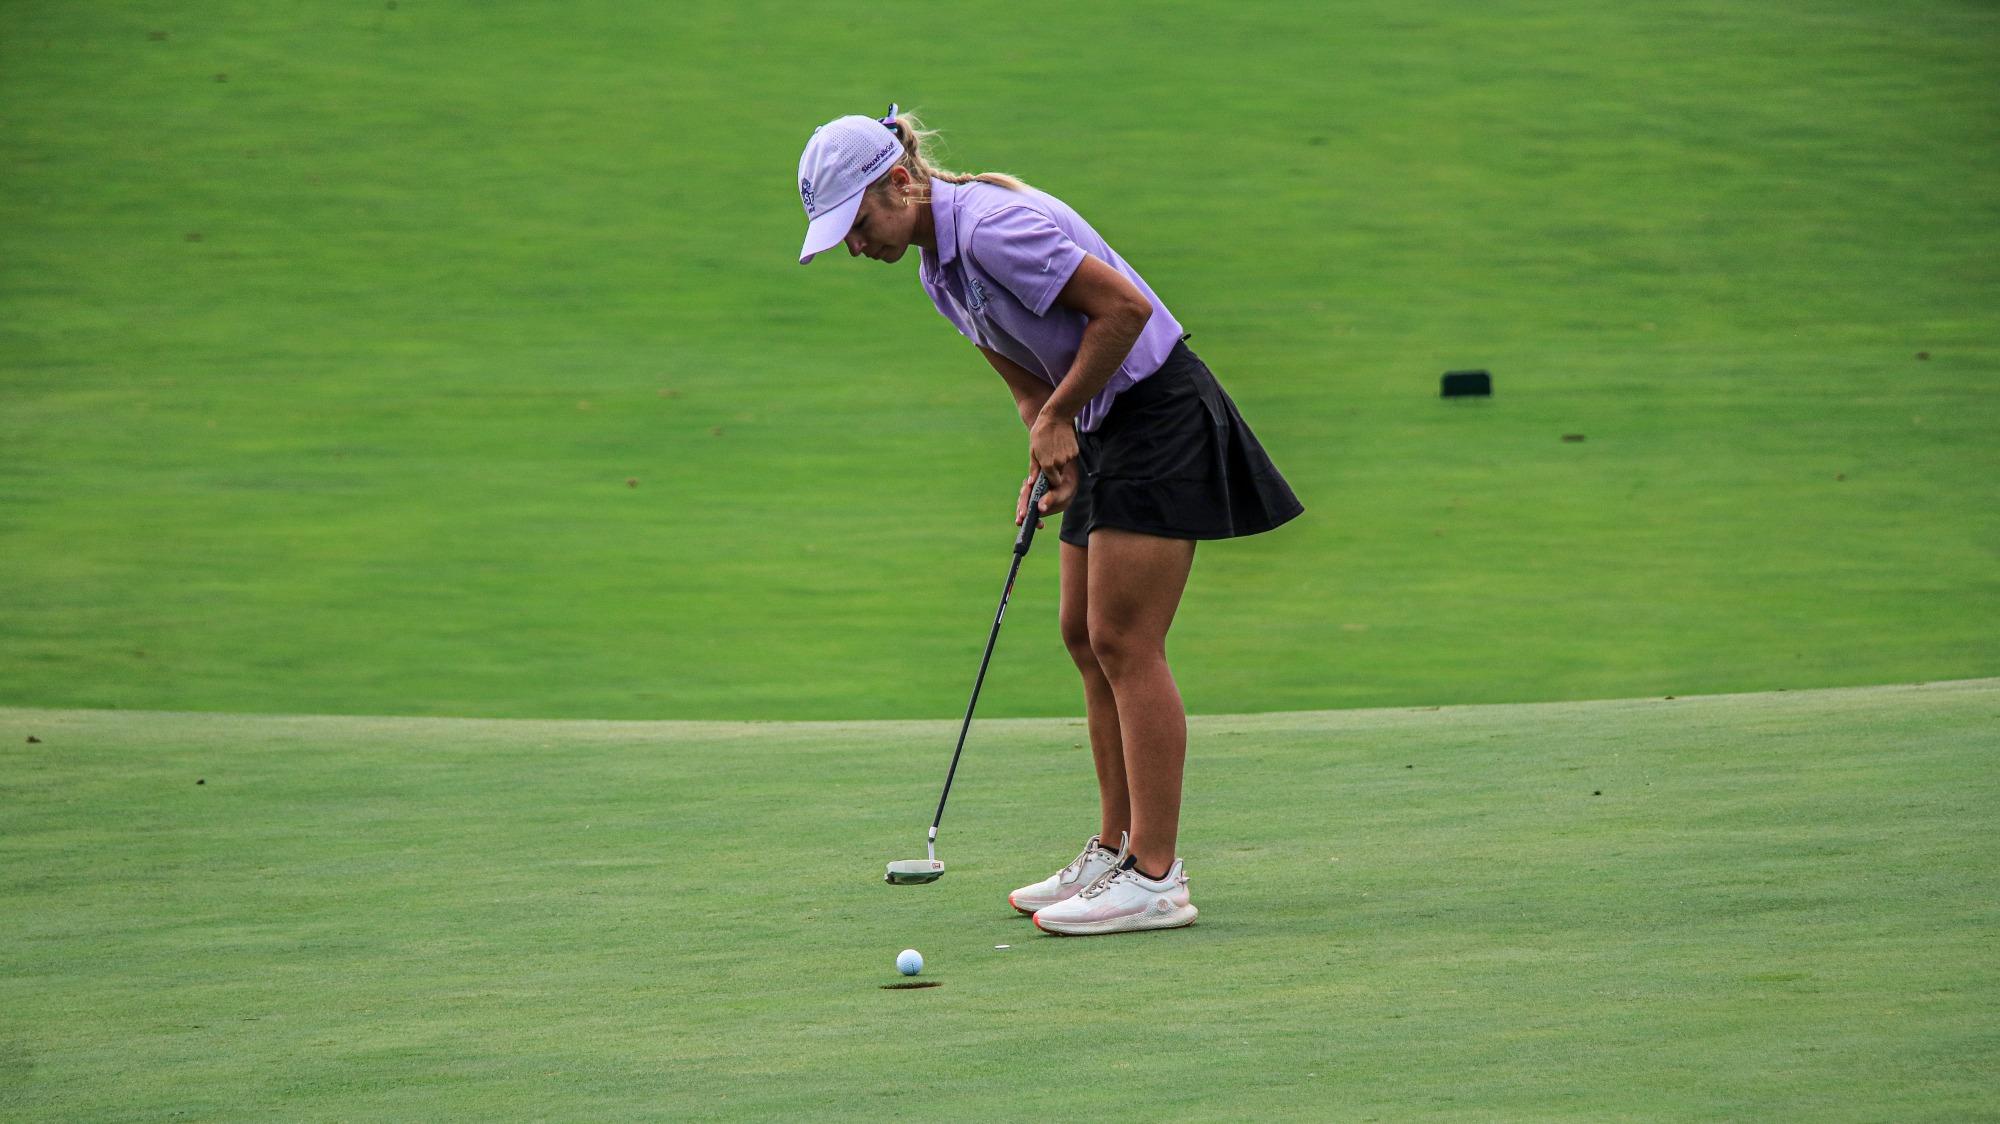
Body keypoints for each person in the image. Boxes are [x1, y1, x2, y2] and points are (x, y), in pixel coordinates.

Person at [796, 107, 1302, 936]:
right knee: (1081, 632)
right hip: (1103, 421)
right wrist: (1047, 448)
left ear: (899, 184)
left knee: (1125, 639)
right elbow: (1031, 384)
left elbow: (1125, 311)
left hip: (1158, 411)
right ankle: (1114, 847)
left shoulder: (994, 229)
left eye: (854, 223)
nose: (854, 245)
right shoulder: (939, 272)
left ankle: (1158, 875)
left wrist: (1062, 415)